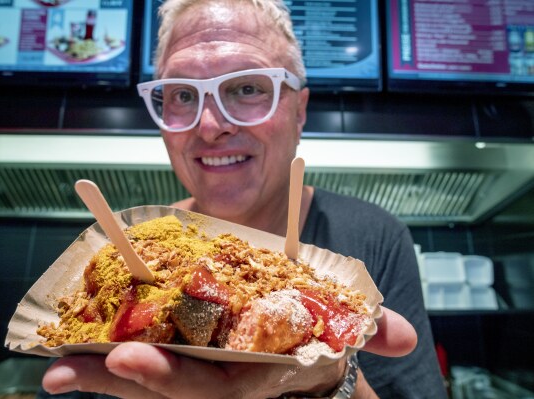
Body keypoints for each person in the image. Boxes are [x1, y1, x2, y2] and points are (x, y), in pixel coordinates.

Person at [39, 0, 447, 398]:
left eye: (247, 88)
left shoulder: (374, 237)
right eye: (182, 95)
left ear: (300, 111)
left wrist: (333, 381)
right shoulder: (116, 256)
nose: (211, 125)